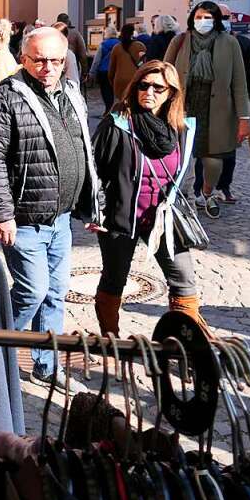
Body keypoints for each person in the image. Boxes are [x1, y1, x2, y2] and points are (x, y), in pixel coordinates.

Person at [0, 27, 100, 387]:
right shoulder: (8, 97)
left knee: (54, 295)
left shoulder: (70, 94)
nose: (48, 67)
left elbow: (84, 152)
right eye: (40, 60)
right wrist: (2, 214)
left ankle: (47, 367)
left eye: (56, 60)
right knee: (32, 290)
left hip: (60, 219)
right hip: (25, 217)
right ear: (24, 59)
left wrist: (95, 205)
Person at [90, 60, 204, 334]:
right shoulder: (117, 124)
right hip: (120, 218)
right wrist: (98, 211)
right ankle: (110, 337)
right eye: (143, 85)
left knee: (184, 280)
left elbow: (185, 177)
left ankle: (186, 342)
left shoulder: (182, 130)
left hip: (163, 220)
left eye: (158, 87)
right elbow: (93, 170)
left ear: (172, 93)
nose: (149, 92)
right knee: (115, 279)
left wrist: (186, 212)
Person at [165, 1, 250, 219]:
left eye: (208, 17)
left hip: (217, 110)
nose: (203, 21)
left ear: (217, 20)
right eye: (199, 17)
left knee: (213, 161)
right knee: (183, 158)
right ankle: (183, 198)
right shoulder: (181, 40)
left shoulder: (229, 43)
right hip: (185, 106)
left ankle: (207, 193)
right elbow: (164, 73)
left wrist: (244, 117)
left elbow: (239, 83)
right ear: (192, 18)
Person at [210, 4, 250, 203]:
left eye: (224, 16)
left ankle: (223, 186)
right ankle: (202, 189)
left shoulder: (243, 44)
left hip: (233, 106)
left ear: (231, 18)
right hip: (207, 105)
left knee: (229, 150)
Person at [108, 22, 146, 104]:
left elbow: (111, 69)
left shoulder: (117, 48)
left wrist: (112, 82)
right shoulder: (140, 46)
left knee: (122, 105)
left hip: (119, 81)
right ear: (133, 33)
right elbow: (143, 64)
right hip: (135, 80)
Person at [89, 25, 120, 112]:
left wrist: (92, 73)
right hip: (116, 71)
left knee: (106, 91)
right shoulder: (120, 44)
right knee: (115, 91)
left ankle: (108, 108)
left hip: (104, 71)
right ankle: (114, 109)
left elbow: (96, 60)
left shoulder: (103, 45)